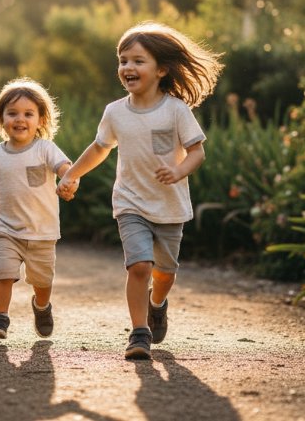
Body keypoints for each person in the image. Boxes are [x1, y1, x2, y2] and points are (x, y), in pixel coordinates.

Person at [56, 20, 223, 360]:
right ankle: (139, 332)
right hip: (130, 203)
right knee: (139, 267)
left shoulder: (176, 110)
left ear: (161, 69)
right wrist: (73, 174)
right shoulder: (115, 112)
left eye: (137, 60)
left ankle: (157, 304)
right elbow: (101, 148)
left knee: (164, 274)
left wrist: (178, 171)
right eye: (122, 60)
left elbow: (197, 152)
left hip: (170, 207)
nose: (127, 67)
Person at [0, 77, 77, 340]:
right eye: (12, 113)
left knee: (42, 282)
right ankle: (0, 318)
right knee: (3, 274)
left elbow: (64, 167)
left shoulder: (45, 149)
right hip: (6, 230)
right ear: (1, 119)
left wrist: (69, 179)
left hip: (42, 232)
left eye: (28, 114)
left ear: (41, 120)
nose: (19, 119)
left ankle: (42, 306)